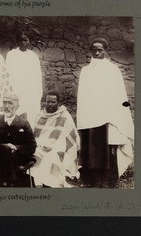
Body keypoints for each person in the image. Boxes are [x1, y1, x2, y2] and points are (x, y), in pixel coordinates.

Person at [77, 38, 134, 188]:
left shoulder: (112, 70)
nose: (97, 53)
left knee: (108, 150)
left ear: (105, 51)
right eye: (94, 50)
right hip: (90, 116)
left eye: (100, 50)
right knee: (91, 149)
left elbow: (119, 94)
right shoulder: (86, 71)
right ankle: (94, 180)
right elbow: (83, 96)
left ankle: (106, 181)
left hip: (108, 116)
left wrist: (115, 115)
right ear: (90, 51)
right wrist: (86, 115)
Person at [0, 92, 37, 187]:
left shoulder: (24, 123)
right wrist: (3, 147)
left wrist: (16, 147)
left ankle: (1, 187)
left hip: (17, 158)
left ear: (17, 106)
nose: (6, 106)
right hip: (3, 159)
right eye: (4, 103)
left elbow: (32, 146)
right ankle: (11, 180)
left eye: (10, 103)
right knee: (0, 154)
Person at [30, 91, 80, 188]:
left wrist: (54, 146)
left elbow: (71, 137)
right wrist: (40, 145)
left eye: (53, 102)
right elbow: (34, 135)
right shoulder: (40, 116)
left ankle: (51, 184)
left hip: (57, 148)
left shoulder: (65, 116)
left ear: (58, 103)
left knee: (51, 157)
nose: (50, 104)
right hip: (40, 146)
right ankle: (38, 184)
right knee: (35, 154)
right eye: (48, 102)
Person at [6, 33, 43, 126]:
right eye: (20, 40)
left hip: (30, 88)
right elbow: (7, 72)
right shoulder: (12, 54)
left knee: (30, 109)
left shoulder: (33, 57)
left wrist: (37, 90)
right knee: (16, 108)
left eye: (25, 40)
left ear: (29, 41)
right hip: (16, 86)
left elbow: (37, 75)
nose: (23, 42)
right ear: (17, 42)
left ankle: (29, 130)